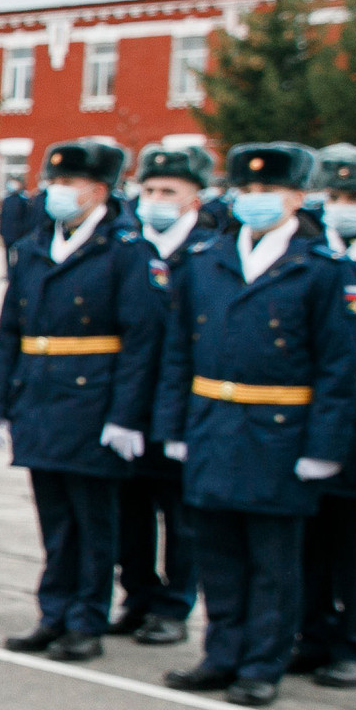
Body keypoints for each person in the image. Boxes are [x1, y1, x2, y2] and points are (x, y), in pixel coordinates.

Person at [155, 141, 356, 706]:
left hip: (280, 431)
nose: (255, 200)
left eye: (268, 190)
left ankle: (262, 664)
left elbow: (337, 367)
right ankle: (221, 654)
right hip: (213, 423)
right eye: (246, 190)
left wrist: (323, 446)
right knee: (217, 552)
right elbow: (178, 354)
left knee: (273, 560)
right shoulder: (206, 260)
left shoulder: (321, 269)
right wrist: (174, 427)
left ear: (298, 197)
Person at [0, 139, 161, 661]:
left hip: (94, 400)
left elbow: (142, 340)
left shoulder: (127, 251)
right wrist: (1, 402)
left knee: (94, 521)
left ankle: (86, 619)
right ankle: (53, 613)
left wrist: (127, 415)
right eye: (53, 182)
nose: (55, 192)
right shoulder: (35, 246)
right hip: (40, 396)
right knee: (55, 519)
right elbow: (10, 331)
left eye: (68, 183)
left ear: (99, 191)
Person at [115, 145, 215, 644]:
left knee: (180, 516)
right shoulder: (127, 247)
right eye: (149, 190)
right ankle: (136, 596)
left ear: (195, 198)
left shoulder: (209, 253)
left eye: (168, 192)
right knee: (128, 510)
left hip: (180, 406)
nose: (155, 199)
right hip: (127, 401)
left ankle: (174, 606)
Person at [296, 145, 356, 687]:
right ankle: (312, 634)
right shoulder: (310, 253)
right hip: (310, 416)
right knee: (310, 536)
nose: (343, 207)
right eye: (334, 196)